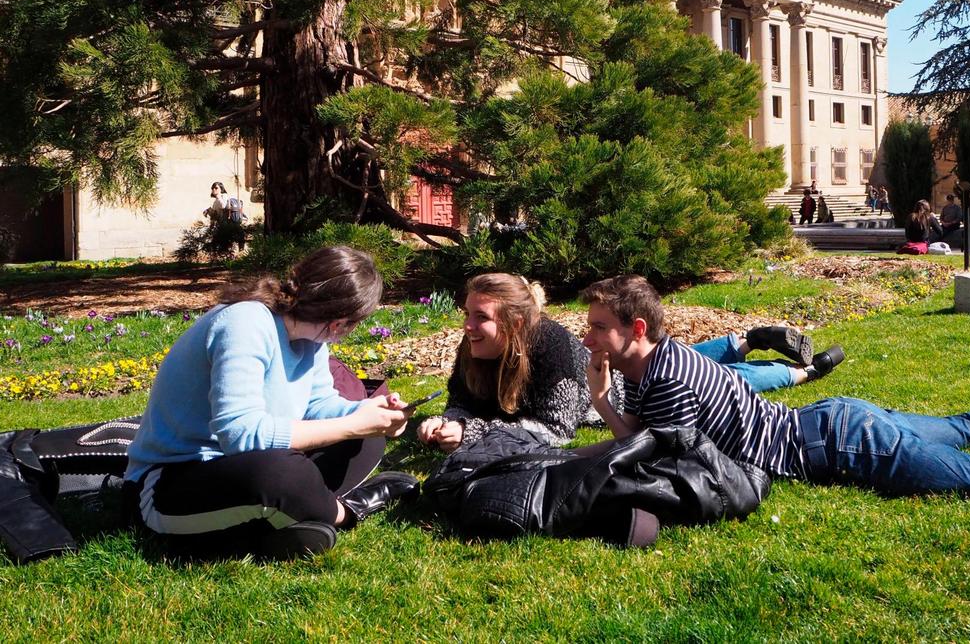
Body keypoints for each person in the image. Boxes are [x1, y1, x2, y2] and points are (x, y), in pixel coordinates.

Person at [581, 275, 970, 532]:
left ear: (637, 330)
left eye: (599, 327)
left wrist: (603, 404)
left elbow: (650, 458)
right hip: (837, 420)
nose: (588, 336)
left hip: (846, 442)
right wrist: (614, 399)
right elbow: (653, 433)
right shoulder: (671, 358)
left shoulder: (664, 378)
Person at [124, 246, 418, 561]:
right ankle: (346, 512)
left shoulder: (312, 339)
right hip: (172, 481)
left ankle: (282, 518)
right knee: (283, 474)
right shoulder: (245, 322)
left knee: (366, 442)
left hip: (247, 467)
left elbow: (318, 405)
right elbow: (240, 435)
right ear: (340, 322)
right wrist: (350, 425)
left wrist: (370, 415)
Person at [417, 273, 841, 454]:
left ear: (513, 323)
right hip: (639, 363)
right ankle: (747, 339)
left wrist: (473, 432)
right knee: (692, 360)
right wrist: (446, 420)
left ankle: (804, 370)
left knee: (725, 379)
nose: (468, 326)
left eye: (481, 318)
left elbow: (556, 430)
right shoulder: (471, 347)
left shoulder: (554, 349)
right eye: (467, 315)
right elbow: (461, 399)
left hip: (621, 384)